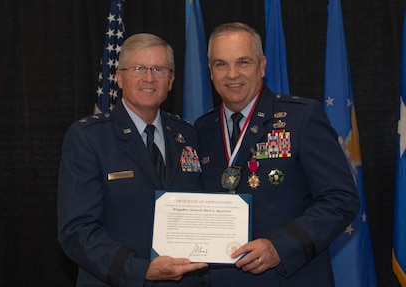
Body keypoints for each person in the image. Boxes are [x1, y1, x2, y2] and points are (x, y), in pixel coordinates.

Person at [194, 22, 360, 286]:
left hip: (289, 277)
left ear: (262, 66)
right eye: (221, 64)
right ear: (210, 72)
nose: (232, 74)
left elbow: (342, 199)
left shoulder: (301, 117)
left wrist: (281, 247)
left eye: (243, 62)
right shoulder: (201, 129)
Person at [58, 33, 207, 287]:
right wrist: (141, 270)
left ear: (170, 80)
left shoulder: (187, 135)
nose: (149, 78)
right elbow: (77, 231)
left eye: (158, 69)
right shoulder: (88, 137)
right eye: (138, 68)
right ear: (119, 77)